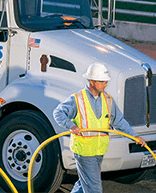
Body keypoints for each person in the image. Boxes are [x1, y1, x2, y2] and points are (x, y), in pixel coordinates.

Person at [53, 62, 146, 193]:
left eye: (106, 81)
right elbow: (58, 113)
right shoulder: (78, 99)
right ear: (92, 81)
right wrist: (71, 125)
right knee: (93, 188)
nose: (105, 84)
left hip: (98, 151)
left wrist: (133, 135)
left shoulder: (108, 100)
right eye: (102, 81)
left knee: (85, 183)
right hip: (84, 151)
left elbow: (118, 121)